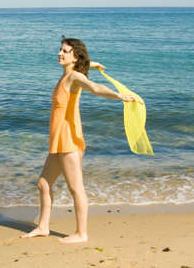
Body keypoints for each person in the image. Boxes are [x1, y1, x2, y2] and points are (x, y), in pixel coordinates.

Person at [21, 36, 142, 244]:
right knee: (43, 184)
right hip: (58, 140)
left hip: (69, 139)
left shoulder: (74, 77)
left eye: (65, 51)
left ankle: (81, 233)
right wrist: (91, 64)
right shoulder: (66, 75)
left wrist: (120, 96)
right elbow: (82, 70)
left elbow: (94, 87)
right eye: (60, 49)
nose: (60, 53)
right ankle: (43, 227)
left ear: (74, 57)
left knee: (76, 188)